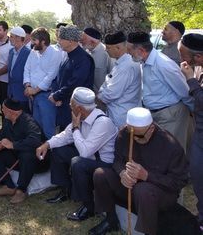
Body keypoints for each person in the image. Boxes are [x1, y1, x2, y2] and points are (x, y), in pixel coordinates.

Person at [90, 107, 189, 235]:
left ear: (151, 128)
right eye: (131, 134)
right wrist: (122, 173)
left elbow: (178, 182)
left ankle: (149, 232)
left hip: (159, 193)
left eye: (139, 136)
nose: (135, 139)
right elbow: (117, 161)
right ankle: (110, 219)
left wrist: (146, 175)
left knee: (143, 190)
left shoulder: (170, 145)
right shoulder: (125, 133)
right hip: (131, 188)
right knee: (100, 174)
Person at [37, 87, 117, 221]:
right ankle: (65, 190)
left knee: (78, 162)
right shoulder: (81, 116)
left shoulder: (102, 122)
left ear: (79, 108)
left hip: (104, 165)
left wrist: (75, 128)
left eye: (71, 104)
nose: (69, 105)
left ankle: (88, 207)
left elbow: (85, 152)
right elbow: (65, 136)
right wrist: (47, 144)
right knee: (58, 149)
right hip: (88, 156)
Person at [127, 31, 193, 150]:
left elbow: (184, 91)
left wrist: (195, 113)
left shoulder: (164, 64)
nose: (128, 53)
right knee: (159, 151)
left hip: (171, 115)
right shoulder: (144, 61)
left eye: (130, 51)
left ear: (141, 51)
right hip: (155, 114)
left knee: (172, 151)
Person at [0, 99, 49, 204]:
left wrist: (13, 145)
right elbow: (1, 136)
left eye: (4, 109)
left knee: (27, 155)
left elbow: (35, 141)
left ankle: (21, 190)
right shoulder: (7, 120)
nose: (2, 110)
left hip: (36, 161)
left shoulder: (29, 122)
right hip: (17, 157)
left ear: (12, 112)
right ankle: (9, 186)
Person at [179, 33, 203, 229]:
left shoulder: (194, 74)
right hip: (199, 134)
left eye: (183, 54)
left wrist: (190, 81)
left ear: (198, 57)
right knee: (197, 178)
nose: (181, 59)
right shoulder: (199, 67)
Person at [49, 25, 94, 131]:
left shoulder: (83, 59)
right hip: (63, 104)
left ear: (70, 41)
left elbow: (76, 83)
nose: (58, 41)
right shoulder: (67, 55)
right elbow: (58, 77)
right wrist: (56, 95)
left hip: (76, 107)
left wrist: (57, 96)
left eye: (61, 39)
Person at [23, 27, 62, 140]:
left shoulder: (55, 53)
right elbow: (27, 69)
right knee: (37, 126)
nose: (32, 43)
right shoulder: (33, 52)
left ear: (43, 41)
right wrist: (28, 86)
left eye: (34, 40)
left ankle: (52, 154)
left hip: (46, 96)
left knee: (48, 128)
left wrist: (35, 90)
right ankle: (39, 152)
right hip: (32, 95)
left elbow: (51, 75)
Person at [97, 31, 141, 128]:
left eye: (108, 48)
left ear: (118, 47)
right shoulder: (122, 63)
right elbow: (107, 84)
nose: (106, 51)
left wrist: (99, 95)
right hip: (122, 111)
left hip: (121, 114)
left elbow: (111, 94)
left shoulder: (125, 66)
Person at [6, 27, 31, 112]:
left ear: (19, 38)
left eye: (11, 36)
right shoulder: (11, 52)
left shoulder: (29, 53)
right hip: (11, 94)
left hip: (22, 95)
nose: (9, 39)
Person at [81, 27, 112, 92]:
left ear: (93, 41)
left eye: (83, 39)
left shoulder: (107, 53)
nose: (81, 40)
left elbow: (112, 77)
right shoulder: (87, 51)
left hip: (102, 96)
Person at [0, 21, 11, 116]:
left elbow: (9, 65)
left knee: (5, 108)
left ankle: (5, 130)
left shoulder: (11, 45)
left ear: (6, 31)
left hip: (5, 81)